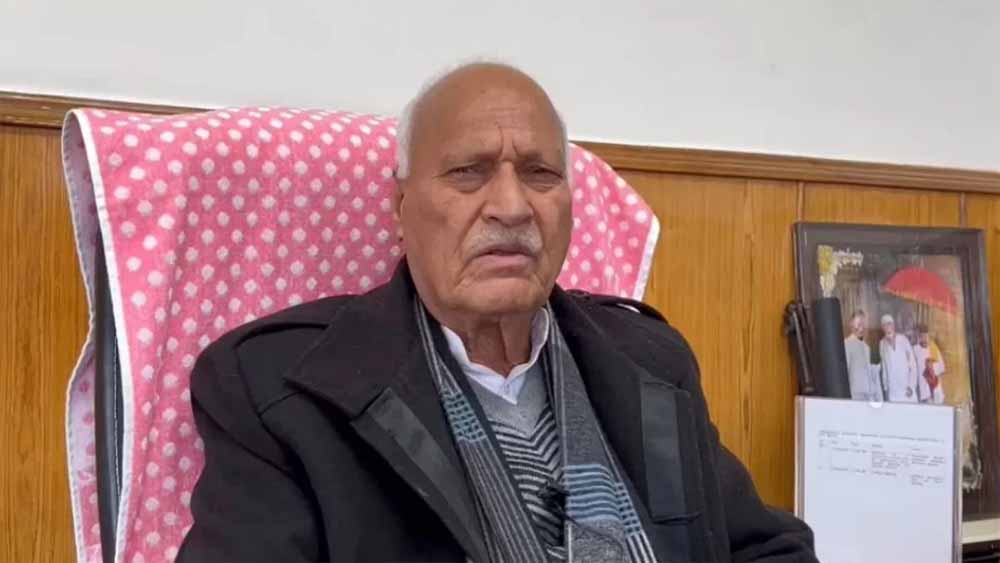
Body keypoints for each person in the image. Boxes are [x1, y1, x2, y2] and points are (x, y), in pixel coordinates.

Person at [177, 62, 816, 563]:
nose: (511, 206)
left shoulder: (648, 359)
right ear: (400, 207)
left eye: (540, 174)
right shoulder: (278, 387)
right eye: (467, 172)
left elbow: (761, 547)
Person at [879, 314, 918, 402]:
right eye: (884, 325)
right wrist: (886, 390)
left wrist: (911, 385)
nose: (887, 327)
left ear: (893, 325)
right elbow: (884, 369)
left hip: (907, 389)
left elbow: (912, 365)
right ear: (882, 328)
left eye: (889, 324)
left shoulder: (903, 340)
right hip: (893, 392)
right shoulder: (882, 344)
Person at [844, 309, 880, 400]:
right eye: (858, 324)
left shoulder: (867, 347)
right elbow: (845, 370)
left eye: (863, 324)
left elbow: (871, 373)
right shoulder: (847, 344)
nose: (861, 328)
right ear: (851, 325)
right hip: (854, 395)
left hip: (868, 395)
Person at [914, 324, 946, 404]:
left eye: (926, 336)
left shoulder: (933, 348)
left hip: (935, 387)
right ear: (919, 337)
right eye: (922, 336)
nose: (924, 338)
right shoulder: (915, 349)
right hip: (922, 389)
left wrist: (932, 369)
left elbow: (942, 367)